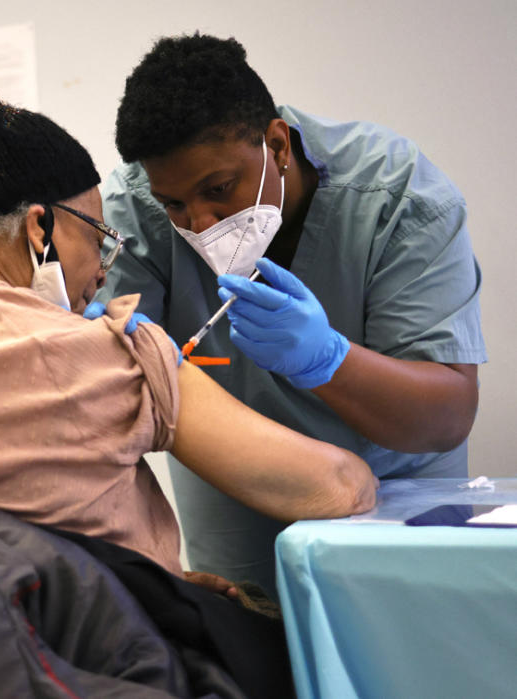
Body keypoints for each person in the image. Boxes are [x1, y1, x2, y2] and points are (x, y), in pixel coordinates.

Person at [0, 73, 375, 597]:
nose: (101, 272)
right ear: (39, 228)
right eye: (97, 238)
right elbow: (336, 486)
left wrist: (155, 579)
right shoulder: (103, 353)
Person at [98, 34, 486, 595]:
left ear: (277, 145)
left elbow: (447, 416)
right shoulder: (137, 206)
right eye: (176, 204)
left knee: (405, 648)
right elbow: (124, 372)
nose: (201, 224)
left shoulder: (398, 198)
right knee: (251, 642)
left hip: (392, 475)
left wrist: (328, 360)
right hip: (237, 481)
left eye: (220, 189)